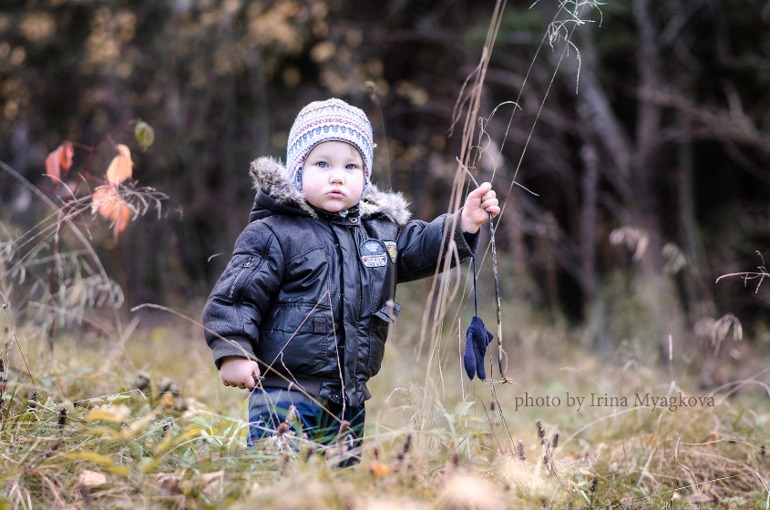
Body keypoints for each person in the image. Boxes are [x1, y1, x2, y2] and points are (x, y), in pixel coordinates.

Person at [202, 97, 500, 465]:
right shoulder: (274, 232)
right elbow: (236, 298)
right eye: (322, 164)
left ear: (365, 175)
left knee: (337, 477)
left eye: (351, 166)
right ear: (297, 169)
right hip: (285, 390)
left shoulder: (378, 232)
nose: (337, 176)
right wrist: (234, 350)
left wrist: (464, 223)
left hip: (348, 397)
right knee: (277, 470)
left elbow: (422, 246)